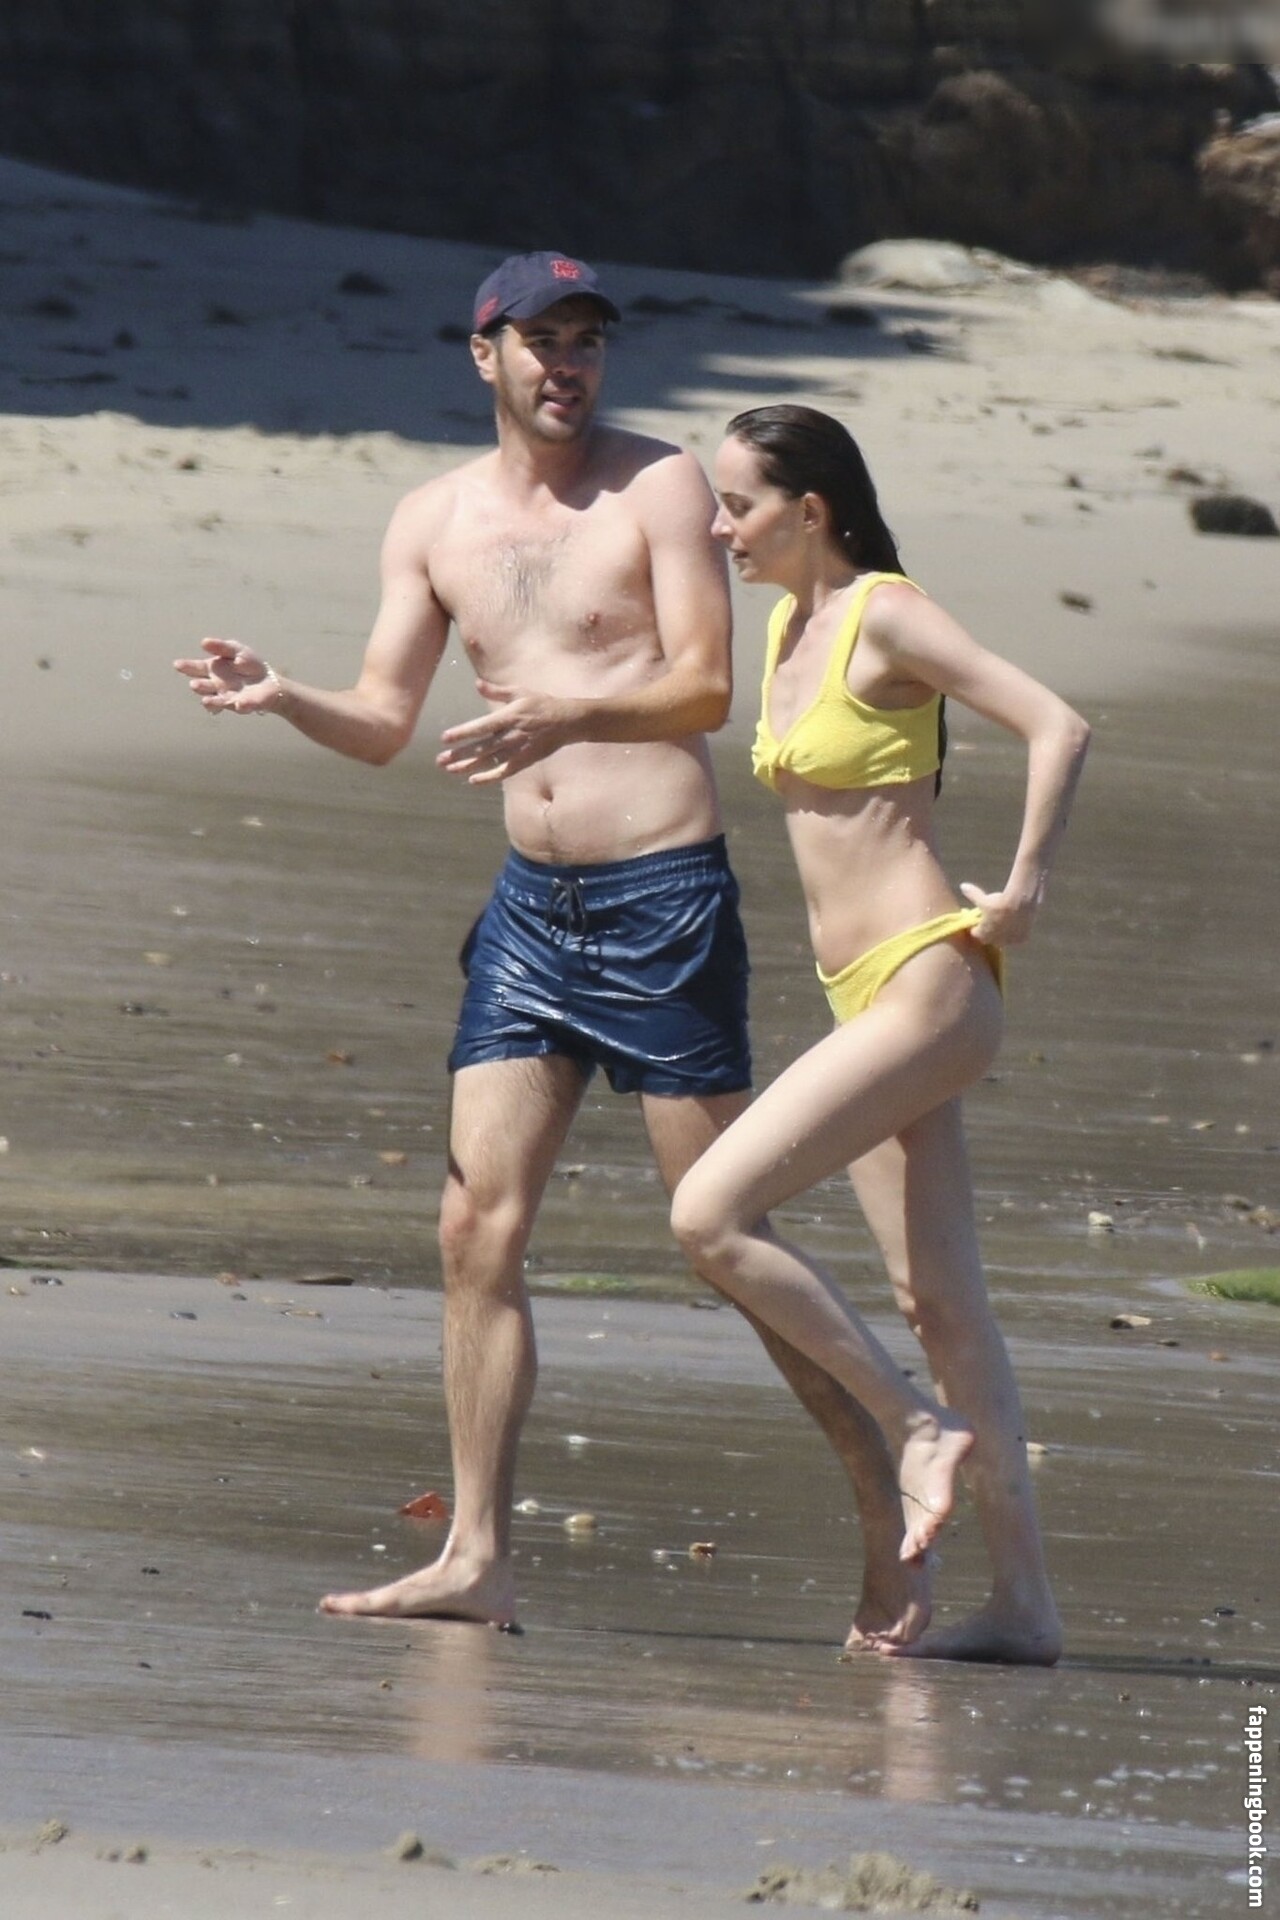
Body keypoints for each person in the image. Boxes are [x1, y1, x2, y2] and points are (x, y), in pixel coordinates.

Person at [175, 253, 932, 1644]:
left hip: (662, 905)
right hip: (530, 915)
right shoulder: (431, 520)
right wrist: (284, 697)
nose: (567, 364)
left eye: (587, 340)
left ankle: (891, 1514)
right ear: (486, 354)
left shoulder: (659, 488)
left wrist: (563, 714)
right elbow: (385, 719)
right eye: (542, 340)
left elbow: (703, 686)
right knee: (474, 1227)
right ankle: (475, 1556)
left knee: (724, 1239)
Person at [671, 404, 1090, 1664]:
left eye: (737, 504)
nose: (718, 528)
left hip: (926, 982)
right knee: (938, 1304)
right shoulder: (785, 626)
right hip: (860, 991)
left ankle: (914, 1427)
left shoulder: (883, 613)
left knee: (708, 1214)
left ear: (808, 511)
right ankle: (1024, 1606)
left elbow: (1056, 723)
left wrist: (1023, 888)